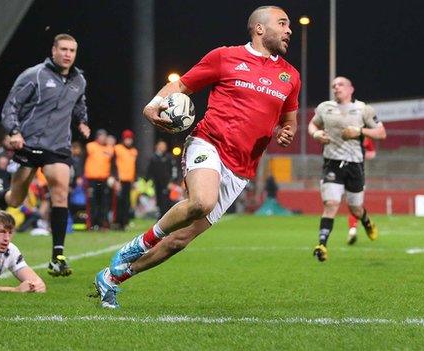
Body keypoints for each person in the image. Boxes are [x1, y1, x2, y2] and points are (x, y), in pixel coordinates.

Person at [93, 5, 300, 308]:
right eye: (282, 23)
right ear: (259, 28)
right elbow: (180, 85)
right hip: (208, 143)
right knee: (202, 200)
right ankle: (138, 244)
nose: (288, 30)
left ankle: (112, 278)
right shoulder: (225, 57)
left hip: (241, 168)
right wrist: (152, 106)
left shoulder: (290, 76)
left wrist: (287, 132)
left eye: (289, 25)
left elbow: (289, 122)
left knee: (179, 241)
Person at [0, 33, 91, 277]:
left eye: (72, 50)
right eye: (63, 49)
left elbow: (79, 105)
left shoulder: (78, 80)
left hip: (59, 146)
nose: (67, 54)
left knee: (60, 192)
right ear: (53, 50)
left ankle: (57, 257)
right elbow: (10, 106)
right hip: (29, 144)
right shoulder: (34, 75)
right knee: (16, 200)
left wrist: (82, 121)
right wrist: (15, 131)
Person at [308, 76, 386, 262]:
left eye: (340, 84)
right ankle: (322, 245)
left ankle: (366, 222)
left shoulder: (364, 109)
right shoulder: (325, 107)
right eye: (333, 85)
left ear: (351, 89)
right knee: (331, 204)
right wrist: (316, 133)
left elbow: (381, 133)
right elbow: (313, 124)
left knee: (355, 208)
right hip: (332, 163)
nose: (336, 88)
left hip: (355, 165)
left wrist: (360, 131)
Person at [346, 137, 376, 244]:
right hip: (340, 173)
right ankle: (354, 228)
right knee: (352, 204)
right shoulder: (343, 132)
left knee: (354, 204)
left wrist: (361, 154)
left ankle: (353, 229)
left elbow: (372, 153)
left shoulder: (365, 136)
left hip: (357, 174)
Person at [84, 129, 114, 230]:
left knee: (104, 203)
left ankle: (102, 224)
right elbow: (82, 160)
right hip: (92, 180)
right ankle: (92, 224)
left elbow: (114, 164)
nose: (104, 138)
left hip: (104, 180)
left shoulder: (110, 148)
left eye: (105, 136)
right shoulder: (90, 146)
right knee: (92, 202)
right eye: (102, 136)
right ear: (97, 137)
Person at [146, 140, 177, 219]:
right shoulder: (153, 158)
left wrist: (171, 182)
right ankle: (161, 220)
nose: (162, 148)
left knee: (167, 202)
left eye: (163, 146)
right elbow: (149, 171)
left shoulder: (169, 157)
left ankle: (166, 219)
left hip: (167, 184)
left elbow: (173, 170)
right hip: (157, 184)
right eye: (160, 145)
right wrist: (149, 182)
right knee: (159, 202)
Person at [114, 129, 138, 230]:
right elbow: (113, 164)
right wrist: (115, 179)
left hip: (129, 181)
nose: (128, 141)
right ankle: (117, 223)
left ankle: (125, 222)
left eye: (130, 139)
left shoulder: (134, 151)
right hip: (120, 180)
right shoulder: (117, 148)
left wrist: (134, 180)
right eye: (126, 139)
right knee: (119, 202)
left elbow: (134, 166)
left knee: (127, 202)